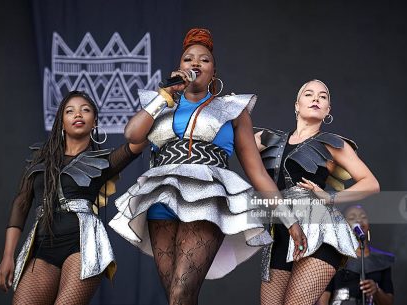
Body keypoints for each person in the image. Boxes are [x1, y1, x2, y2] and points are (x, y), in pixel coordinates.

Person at [109, 28, 307, 305]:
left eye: (204, 59)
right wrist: (164, 96)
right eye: (188, 59)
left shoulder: (232, 110)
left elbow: (257, 172)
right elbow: (132, 135)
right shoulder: (160, 104)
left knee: (181, 292)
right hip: (160, 200)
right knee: (177, 298)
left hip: (207, 199)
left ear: (213, 71)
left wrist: (290, 220)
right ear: (179, 68)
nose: (195, 64)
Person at [0, 91, 145, 305]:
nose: (78, 114)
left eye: (85, 110)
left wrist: (164, 97)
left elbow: (138, 141)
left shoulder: (102, 162)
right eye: (70, 110)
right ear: (61, 122)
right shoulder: (40, 159)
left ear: (94, 122)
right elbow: (21, 203)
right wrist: (8, 255)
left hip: (82, 246)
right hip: (42, 247)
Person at [255, 79, 380, 305]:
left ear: (327, 110)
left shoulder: (333, 143)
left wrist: (331, 197)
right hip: (280, 231)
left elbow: (371, 183)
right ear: (296, 105)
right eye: (309, 94)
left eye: (323, 97)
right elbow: (231, 138)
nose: (316, 99)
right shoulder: (268, 139)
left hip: (319, 229)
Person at [317, 205, 394, 305]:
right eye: (352, 218)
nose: (359, 220)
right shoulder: (334, 257)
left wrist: (376, 290)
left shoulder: (381, 260)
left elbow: (389, 302)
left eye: (363, 217)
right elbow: (323, 300)